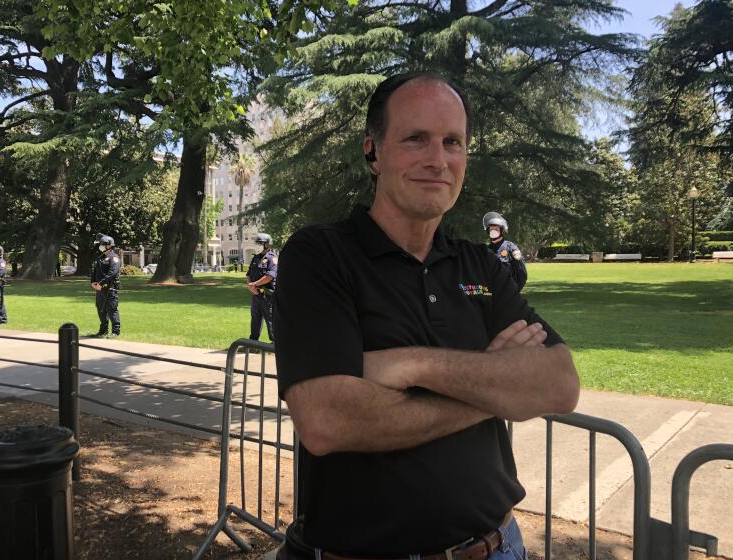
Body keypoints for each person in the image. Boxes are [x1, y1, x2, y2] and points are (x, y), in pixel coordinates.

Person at [274, 73, 579, 559]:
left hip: (498, 547)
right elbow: (328, 420)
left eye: (452, 142)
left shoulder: (480, 264)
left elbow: (560, 383)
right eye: (416, 139)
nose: (438, 160)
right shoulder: (320, 256)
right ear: (372, 150)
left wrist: (413, 366)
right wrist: (494, 388)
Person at [482, 211, 527, 290]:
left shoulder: (510, 247)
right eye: (491, 228)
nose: (493, 231)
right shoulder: (485, 250)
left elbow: (521, 272)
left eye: (496, 229)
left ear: (502, 231)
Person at [246, 233, 278, 342]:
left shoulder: (273, 259)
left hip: (267, 296)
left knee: (270, 318)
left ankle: (275, 343)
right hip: (255, 294)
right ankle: (253, 342)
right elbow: (248, 274)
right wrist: (250, 286)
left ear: (267, 245)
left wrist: (254, 284)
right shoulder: (255, 258)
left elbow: (269, 276)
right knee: (255, 318)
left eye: (259, 243)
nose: (257, 245)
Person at [90, 235, 121, 338]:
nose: (100, 246)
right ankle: (103, 331)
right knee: (101, 310)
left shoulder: (114, 258)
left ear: (108, 245)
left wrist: (101, 283)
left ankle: (115, 332)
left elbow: (112, 273)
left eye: (102, 244)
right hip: (99, 289)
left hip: (110, 288)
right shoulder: (100, 257)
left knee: (112, 309)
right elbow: (95, 271)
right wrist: (93, 282)